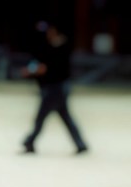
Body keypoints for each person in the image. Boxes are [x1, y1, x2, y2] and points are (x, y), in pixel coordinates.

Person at [21, 20, 88, 154]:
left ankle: (30, 141)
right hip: (59, 87)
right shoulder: (56, 46)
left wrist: (31, 72)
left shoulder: (59, 48)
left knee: (41, 117)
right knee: (65, 117)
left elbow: (45, 68)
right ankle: (80, 144)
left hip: (55, 88)